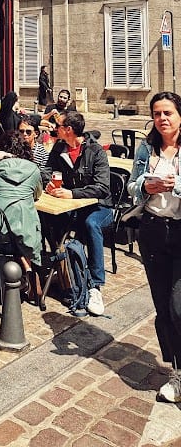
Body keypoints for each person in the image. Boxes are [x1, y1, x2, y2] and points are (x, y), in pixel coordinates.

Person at [128, 91, 181, 403]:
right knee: (163, 308)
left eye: (168, 113)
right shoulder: (146, 148)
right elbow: (133, 187)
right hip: (152, 231)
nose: (162, 118)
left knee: (178, 307)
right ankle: (176, 371)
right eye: (157, 113)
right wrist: (144, 187)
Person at [46, 110, 112, 316]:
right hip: (72, 207)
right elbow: (48, 169)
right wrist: (47, 182)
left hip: (100, 206)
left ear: (69, 130)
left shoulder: (95, 151)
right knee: (49, 220)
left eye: (59, 126)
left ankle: (95, 285)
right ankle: (67, 274)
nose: (55, 129)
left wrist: (72, 193)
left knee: (91, 225)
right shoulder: (59, 148)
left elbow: (103, 188)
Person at [0, 132, 43, 271]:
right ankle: (32, 279)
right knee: (24, 243)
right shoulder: (34, 169)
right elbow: (37, 194)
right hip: (26, 227)